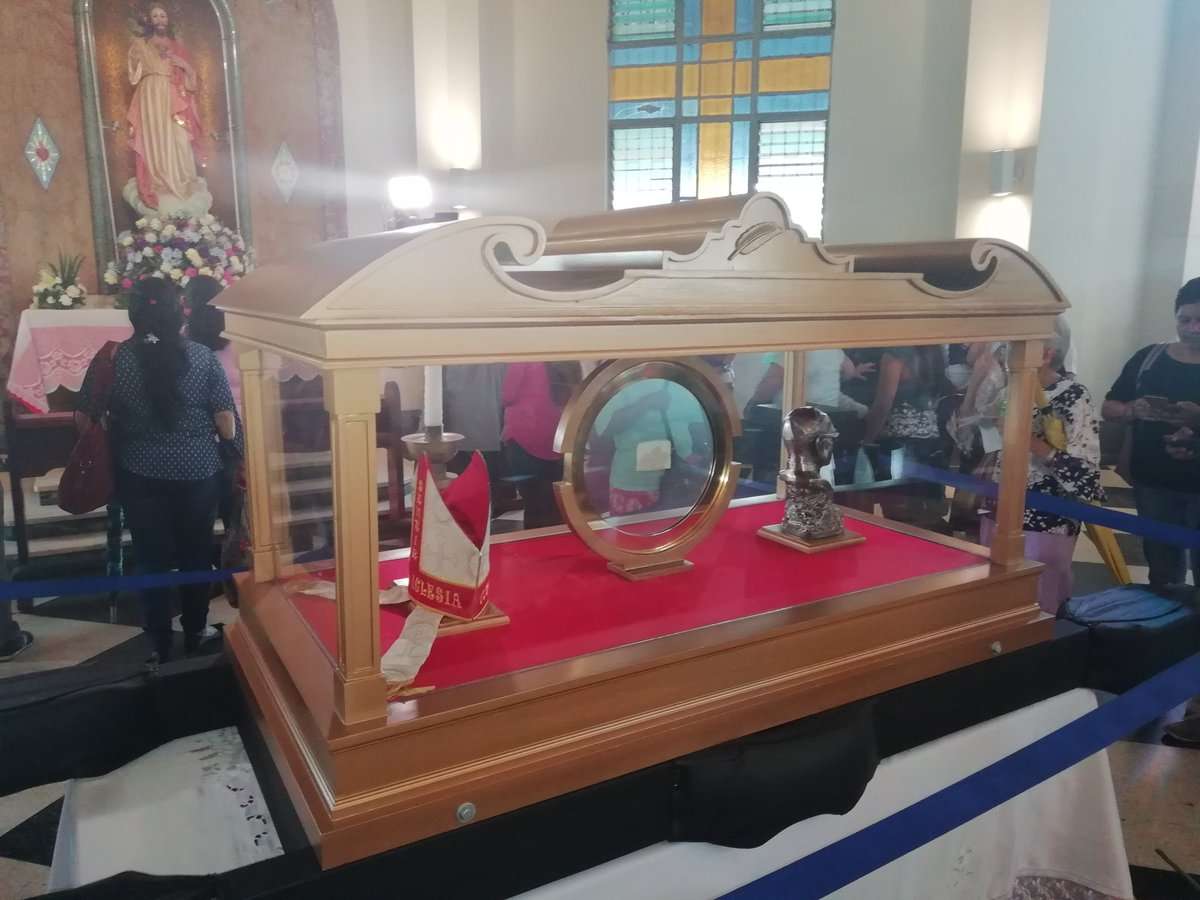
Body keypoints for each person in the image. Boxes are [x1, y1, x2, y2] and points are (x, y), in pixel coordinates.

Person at [79, 278, 237, 662]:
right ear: (177, 312)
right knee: (196, 553)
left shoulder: (114, 359)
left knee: (152, 558)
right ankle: (197, 630)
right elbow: (225, 421)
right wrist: (236, 452)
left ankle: (158, 641)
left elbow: (85, 417)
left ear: (134, 314)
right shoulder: (202, 357)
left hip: (139, 472)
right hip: (199, 473)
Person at [979, 318, 1103, 614]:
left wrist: (1032, 443)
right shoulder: (1011, 389)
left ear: (1045, 353)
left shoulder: (1073, 396)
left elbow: (1085, 474)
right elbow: (985, 435)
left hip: (1046, 513)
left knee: (1039, 596)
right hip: (1002, 504)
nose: (1002, 357)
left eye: (1011, 349)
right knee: (994, 588)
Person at [1102, 278, 1200, 588]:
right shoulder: (1150, 358)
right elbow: (1109, 406)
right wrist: (1132, 409)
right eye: (1185, 320)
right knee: (1161, 571)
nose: (1192, 328)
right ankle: (1167, 631)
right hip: (1153, 481)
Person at [125, 3, 209, 215]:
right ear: (149, 20)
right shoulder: (140, 44)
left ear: (168, 20)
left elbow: (191, 82)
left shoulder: (177, 46)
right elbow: (133, 76)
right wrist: (138, 56)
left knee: (180, 140)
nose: (160, 19)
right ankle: (159, 182)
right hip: (150, 96)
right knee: (154, 139)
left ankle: (182, 180)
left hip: (173, 96)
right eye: (155, 16)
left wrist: (183, 65)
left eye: (163, 16)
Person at [862, 345, 949, 528]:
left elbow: (884, 402)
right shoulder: (934, 351)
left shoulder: (895, 355)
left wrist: (867, 439)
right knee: (928, 518)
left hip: (898, 443)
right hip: (932, 442)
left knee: (899, 519)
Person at [501, 362, 581, 529]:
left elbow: (507, 395)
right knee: (555, 501)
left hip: (525, 433)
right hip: (558, 433)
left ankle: (534, 543)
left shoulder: (525, 360)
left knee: (532, 502)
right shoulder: (569, 360)